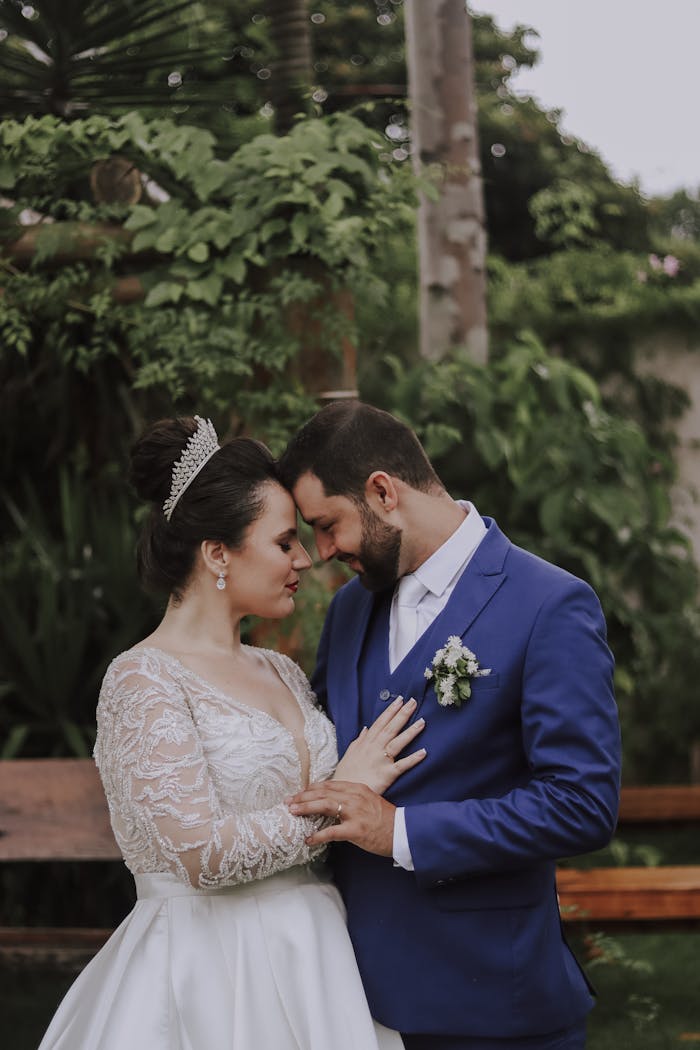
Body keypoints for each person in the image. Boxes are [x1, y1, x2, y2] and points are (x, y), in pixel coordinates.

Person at [38, 414, 427, 1050]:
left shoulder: (280, 669)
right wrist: (344, 795)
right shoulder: (142, 681)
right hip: (211, 968)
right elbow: (201, 856)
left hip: (319, 957)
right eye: (282, 543)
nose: (304, 558)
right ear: (217, 553)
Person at [278, 400, 622, 1050]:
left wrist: (399, 830)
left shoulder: (549, 605)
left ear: (383, 491)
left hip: (490, 1001)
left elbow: (582, 805)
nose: (322, 552)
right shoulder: (352, 609)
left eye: (327, 525)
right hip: (347, 998)